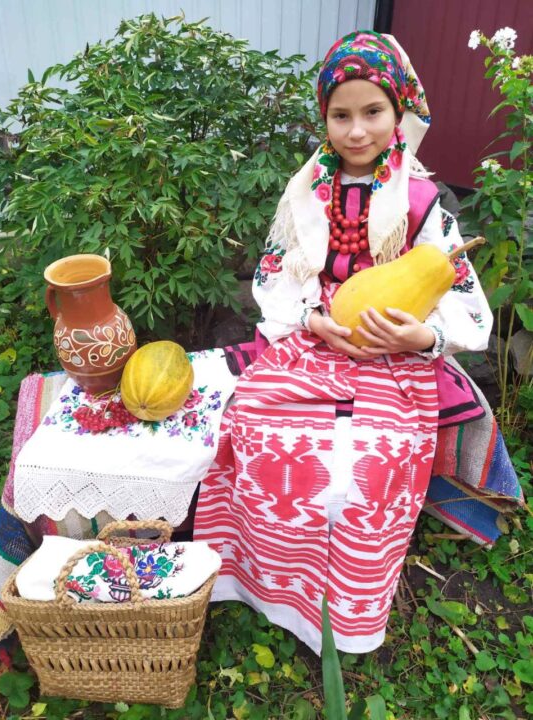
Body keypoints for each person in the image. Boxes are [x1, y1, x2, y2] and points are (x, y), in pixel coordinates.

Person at [193, 30, 493, 655]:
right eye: (341, 115)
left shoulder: (422, 201)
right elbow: (278, 274)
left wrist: (424, 335)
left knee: (373, 457)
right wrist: (310, 318)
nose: (357, 131)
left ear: (399, 112)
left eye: (373, 112)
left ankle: (350, 604)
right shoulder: (305, 195)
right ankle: (269, 581)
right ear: (324, 118)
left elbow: (460, 295)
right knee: (255, 424)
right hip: (316, 337)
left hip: (395, 351)